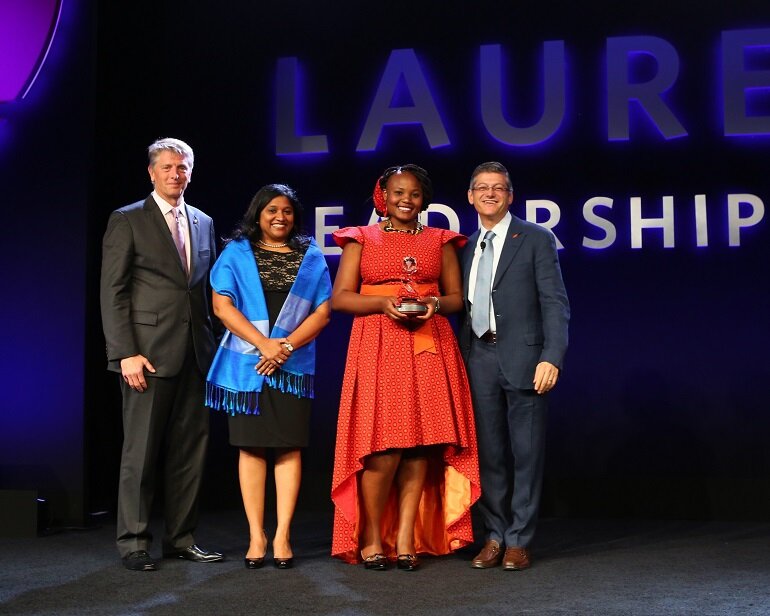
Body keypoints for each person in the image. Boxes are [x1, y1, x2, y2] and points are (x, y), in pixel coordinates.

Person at [331, 164, 480, 571]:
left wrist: (432, 305)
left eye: (413, 193)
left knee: (420, 447)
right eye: (398, 192)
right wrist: (383, 304)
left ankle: (405, 538)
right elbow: (340, 299)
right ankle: (372, 538)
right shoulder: (360, 238)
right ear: (383, 195)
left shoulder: (441, 240)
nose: (405, 200)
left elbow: (455, 299)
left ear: (423, 198)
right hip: (378, 346)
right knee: (384, 448)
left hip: (429, 346)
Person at [100, 137, 222, 571]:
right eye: (167, 167)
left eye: (183, 167)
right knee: (141, 452)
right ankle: (134, 542)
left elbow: (205, 290)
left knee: (190, 451)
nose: (175, 174)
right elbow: (112, 292)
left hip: (196, 354)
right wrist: (125, 353)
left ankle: (181, 538)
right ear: (151, 172)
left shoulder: (204, 222)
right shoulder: (127, 219)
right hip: (146, 357)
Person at [205, 184, 331, 570]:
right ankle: (257, 535)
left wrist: (285, 347)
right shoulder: (235, 253)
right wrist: (264, 344)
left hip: (291, 365)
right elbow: (221, 306)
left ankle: (282, 536)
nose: (280, 217)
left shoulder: (310, 256)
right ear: (257, 214)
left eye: (288, 211)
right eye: (272, 210)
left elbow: (323, 312)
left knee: (289, 447)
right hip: (248, 362)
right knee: (251, 447)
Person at [459, 161, 570, 571]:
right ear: (470, 196)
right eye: (482, 187)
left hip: (526, 360)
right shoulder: (465, 246)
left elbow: (555, 304)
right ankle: (494, 536)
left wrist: (551, 357)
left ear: (511, 195)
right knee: (488, 455)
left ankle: (519, 540)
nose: (490, 193)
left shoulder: (537, 239)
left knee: (526, 453)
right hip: (478, 359)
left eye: (498, 188)